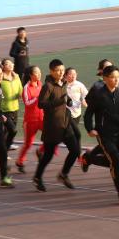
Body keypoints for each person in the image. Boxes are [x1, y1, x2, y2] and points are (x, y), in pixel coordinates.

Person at [84, 64, 119, 205]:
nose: (116, 80)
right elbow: (88, 114)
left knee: (110, 161)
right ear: (105, 78)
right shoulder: (98, 95)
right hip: (104, 134)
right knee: (117, 162)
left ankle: (89, 158)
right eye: (112, 77)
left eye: (117, 77)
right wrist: (90, 129)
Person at [33, 59, 83, 192]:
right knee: (48, 155)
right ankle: (37, 177)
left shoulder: (64, 83)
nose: (61, 73)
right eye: (58, 70)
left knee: (75, 150)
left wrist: (69, 101)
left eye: (62, 70)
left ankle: (63, 174)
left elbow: (64, 97)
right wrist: (59, 102)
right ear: (51, 71)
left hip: (65, 124)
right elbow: (41, 104)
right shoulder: (48, 86)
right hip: (53, 126)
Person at [16, 65, 44, 173]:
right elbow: (27, 103)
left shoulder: (40, 84)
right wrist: (37, 98)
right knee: (28, 144)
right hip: (30, 121)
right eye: (36, 72)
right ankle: (20, 161)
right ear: (31, 75)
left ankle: (40, 151)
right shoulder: (26, 88)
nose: (39, 74)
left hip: (42, 118)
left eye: (40, 72)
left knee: (52, 136)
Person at [0, 58, 23, 156]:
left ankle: (4, 151)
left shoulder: (16, 77)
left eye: (11, 63)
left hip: (15, 108)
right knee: (12, 131)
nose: (10, 65)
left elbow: (20, 89)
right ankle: (3, 152)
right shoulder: (0, 78)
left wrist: (20, 94)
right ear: (3, 67)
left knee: (9, 132)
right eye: (7, 64)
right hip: (4, 109)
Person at [64, 67, 88, 157]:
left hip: (77, 114)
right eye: (70, 74)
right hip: (66, 114)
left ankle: (75, 152)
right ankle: (77, 154)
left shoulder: (79, 85)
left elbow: (87, 95)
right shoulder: (63, 85)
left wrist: (84, 101)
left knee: (72, 135)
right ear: (66, 75)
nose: (73, 76)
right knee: (77, 134)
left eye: (74, 74)